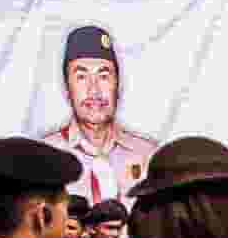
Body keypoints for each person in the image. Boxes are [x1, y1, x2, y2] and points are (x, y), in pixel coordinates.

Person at [41, 24, 157, 204]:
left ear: (118, 85)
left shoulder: (148, 156)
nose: (93, 90)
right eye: (81, 76)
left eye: (103, 76)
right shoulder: (45, 157)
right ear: (66, 88)